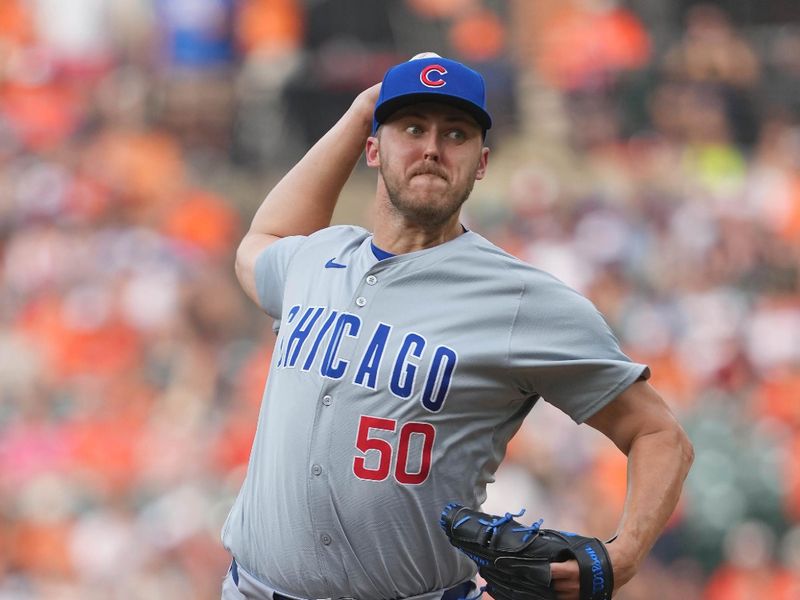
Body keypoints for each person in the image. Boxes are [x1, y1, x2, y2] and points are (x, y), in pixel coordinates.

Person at [221, 53, 694, 600]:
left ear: (482, 161)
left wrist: (621, 557)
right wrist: (359, 112)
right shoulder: (319, 256)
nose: (432, 148)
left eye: (456, 133)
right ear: (372, 149)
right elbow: (259, 243)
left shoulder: (520, 299)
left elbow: (661, 435)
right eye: (412, 128)